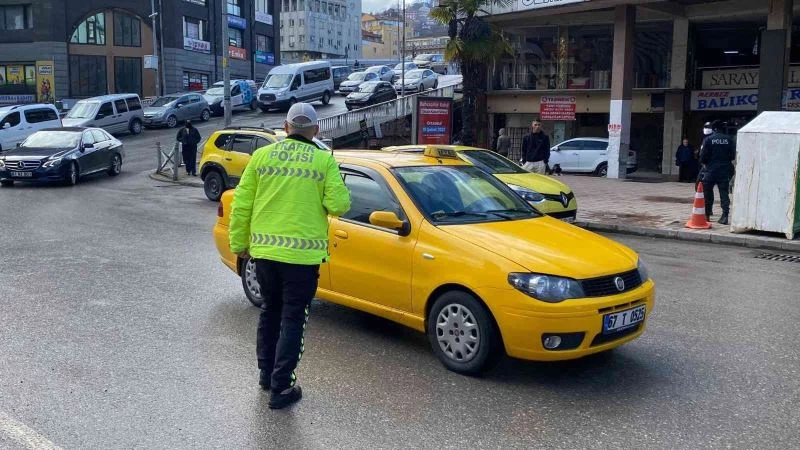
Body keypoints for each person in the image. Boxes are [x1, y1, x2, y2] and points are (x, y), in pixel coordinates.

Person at [229, 103, 351, 409]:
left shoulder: (261, 157)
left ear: (285, 128)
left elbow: (242, 204)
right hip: (302, 260)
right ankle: (282, 388)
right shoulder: (324, 161)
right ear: (316, 131)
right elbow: (339, 205)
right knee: (293, 317)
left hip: (265, 254)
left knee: (270, 310)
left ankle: (266, 375)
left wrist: (238, 243)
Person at [699, 120, 736, 225]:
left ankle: (707, 215)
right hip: (724, 170)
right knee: (724, 193)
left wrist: (705, 163)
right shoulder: (729, 139)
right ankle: (725, 215)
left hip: (711, 170)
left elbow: (703, 156)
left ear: (714, 129)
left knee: (708, 192)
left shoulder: (709, 139)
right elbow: (732, 155)